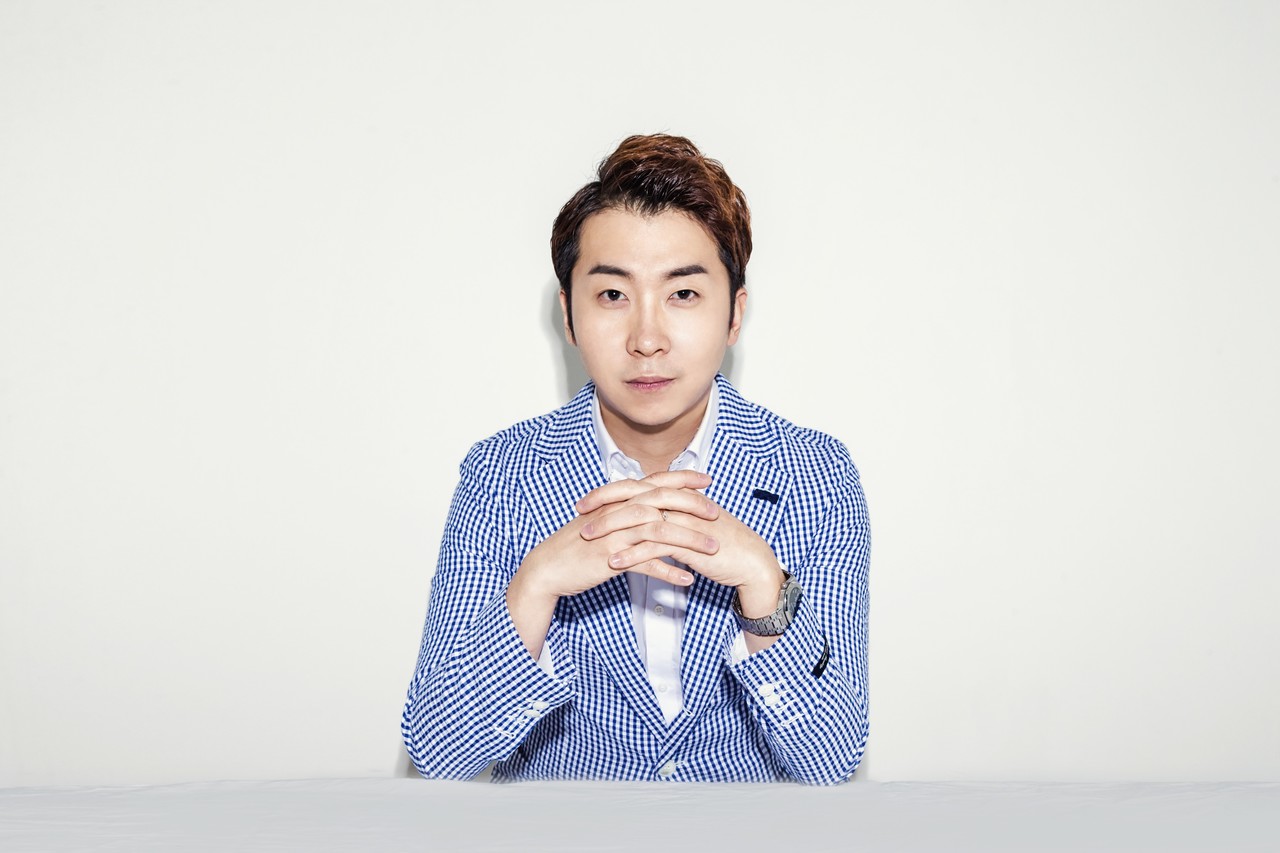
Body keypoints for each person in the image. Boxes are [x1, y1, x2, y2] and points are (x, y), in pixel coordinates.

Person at [401, 134, 870, 784]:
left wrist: (763, 584)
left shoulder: (816, 475)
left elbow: (833, 758)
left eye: (684, 294)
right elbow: (437, 751)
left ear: (734, 314)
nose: (647, 339)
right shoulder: (501, 474)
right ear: (568, 315)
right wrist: (535, 587)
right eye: (613, 295)